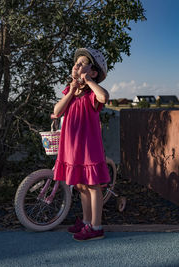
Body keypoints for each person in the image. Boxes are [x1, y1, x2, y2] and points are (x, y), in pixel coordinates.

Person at [52, 48, 110, 241]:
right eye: (75, 63)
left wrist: (89, 82)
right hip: (72, 147)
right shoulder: (71, 92)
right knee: (80, 185)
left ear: (93, 72)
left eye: (82, 63)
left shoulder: (91, 94)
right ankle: (86, 222)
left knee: (93, 186)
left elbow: (104, 97)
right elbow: (57, 111)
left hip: (88, 147)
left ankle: (96, 226)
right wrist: (71, 91)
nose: (76, 65)